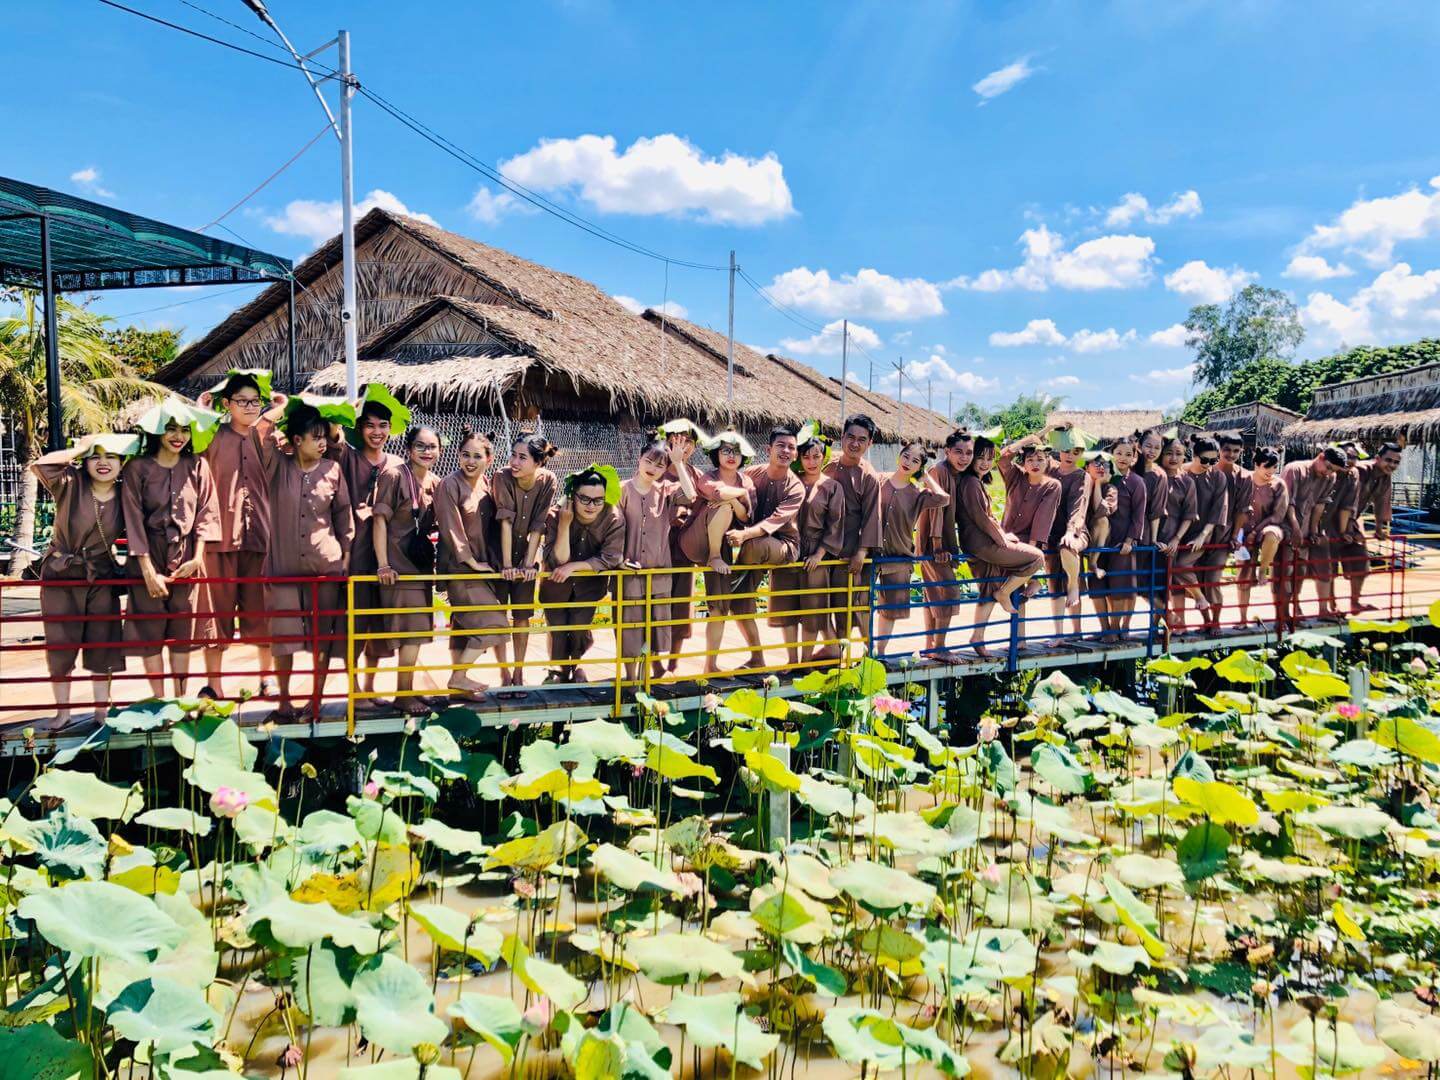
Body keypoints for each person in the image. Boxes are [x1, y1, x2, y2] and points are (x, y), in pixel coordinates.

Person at [257, 400, 354, 721]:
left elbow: (343, 516)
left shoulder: (333, 469)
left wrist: (346, 558)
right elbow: (260, 434)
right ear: (297, 440)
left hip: (325, 567)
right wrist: (279, 409)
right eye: (315, 437)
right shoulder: (277, 467)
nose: (323, 442)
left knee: (320, 638)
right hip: (282, 568)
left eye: (324, 436)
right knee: (283, 639)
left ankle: (316, 700)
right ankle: (283, 703)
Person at [31, 433, 135, 727]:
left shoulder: (127, 495)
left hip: (101, 574)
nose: (103, 463)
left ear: (122, 462)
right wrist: (78, 448)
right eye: (96, 456)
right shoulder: (71, 484)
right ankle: (63, 712)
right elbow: (40, 465)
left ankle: (102, 712)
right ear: (86, 462)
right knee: (60, 642)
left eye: (111, 457)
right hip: (61, 572)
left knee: (103, 643)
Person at [122, 398, 222, 698]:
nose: (178, 436)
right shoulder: (137, 468)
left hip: (188, 555)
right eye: (171, 429)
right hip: (147, 554)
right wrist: (147, 570)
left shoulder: (198, 465)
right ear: (156, 432)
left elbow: (207, 511)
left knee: (184, 630)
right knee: (150, 629)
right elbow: (132, 518)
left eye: (184, 430)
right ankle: (158, 699)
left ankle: (179, 699)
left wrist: (197, 557)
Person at [195, 370, 286, 699]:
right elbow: (193, 436)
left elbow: (270, 419)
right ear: (227, 404)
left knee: (264, 613)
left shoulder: (267, 436)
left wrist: (279, 405)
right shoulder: (212, 437)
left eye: (254, 401)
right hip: (219, 538)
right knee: (215, 616)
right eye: (242, 401)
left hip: (260, 536)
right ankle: (214, 685)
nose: (249, 407)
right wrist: (202, 411)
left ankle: (267, 679)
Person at [326, 385, 406, 710]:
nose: (377, 432)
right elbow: (333, 437)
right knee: (355, 619)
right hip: (356, 548)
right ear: (360, 428)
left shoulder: (397, 464)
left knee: (381, 621)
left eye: (382, 426)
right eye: (370, 425)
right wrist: (347, 410)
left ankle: (372, 686)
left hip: (388, 552)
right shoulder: (349, 457)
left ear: (390, 429)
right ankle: (353, 687)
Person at [434, 429, 510, 701]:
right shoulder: (449, 485)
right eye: (465, 454)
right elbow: (450, 526)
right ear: (457, 455)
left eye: (477, 456)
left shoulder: (487, 486)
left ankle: (458, 686)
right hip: (459, 569)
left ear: (489, 459)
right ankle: (458, 676)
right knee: (496, 624)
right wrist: (471, 562)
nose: (470, 461)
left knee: (466, 628)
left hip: (482, 569)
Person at [723, 427, 805, 671]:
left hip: (784, 546)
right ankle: (757, 657)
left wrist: (744, 534)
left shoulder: (795, 487)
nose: (786, 451)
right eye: (781, 445)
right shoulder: (751, 474)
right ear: (768, 449)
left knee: (754, 545)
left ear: (796, 453)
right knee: (740, 603)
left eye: (791, 447)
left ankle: (728, 582)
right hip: (753, 549)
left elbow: (773, 523)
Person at [373, 426, 442, 714]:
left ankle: (409, 689)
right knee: (411, 635)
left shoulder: (436, 482)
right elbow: (379, 521)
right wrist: (383, 565)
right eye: (420, 446)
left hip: (421, 569)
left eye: (432, 446)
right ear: (408, 449)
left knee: (418, 633)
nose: (427, 452)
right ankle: (403, 695)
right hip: (398, 569)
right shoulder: (394, 476)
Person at [954, 435, 1044, 656]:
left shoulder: (976, 482)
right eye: (980, 458)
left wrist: (1005, 534)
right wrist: (1002, 540)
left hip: (981, 543)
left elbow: (989, 517)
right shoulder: (970, 482)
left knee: (988, 588)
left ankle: (977, 637)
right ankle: (1005, 593)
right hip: (982, 544)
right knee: (1037, 558)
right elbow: (981, 518)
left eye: (989, 458)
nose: (985, 463)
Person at [675, 431, 756, 675]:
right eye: (726, 451)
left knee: (719, 607)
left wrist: (736, 497)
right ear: (716, 454)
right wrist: (736, 496)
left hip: (721, 544)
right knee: (722, 504)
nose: (732, 456)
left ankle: (711, 665)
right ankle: (713, 556)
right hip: (696, 539)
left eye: (736, 451)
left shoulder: (746, 482)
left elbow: (744, 516)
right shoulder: (707, 477)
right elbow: (717, 494)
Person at [616, 438, 695, 683]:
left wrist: (678, 463)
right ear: (639, 459)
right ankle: (630, 680)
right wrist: (617, 560)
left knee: (654, 624)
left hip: (659, 571)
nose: (652, 467)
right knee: (629, 626)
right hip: (628, 570)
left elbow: (691, 495)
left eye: (660, 465)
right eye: (648, 460)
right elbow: (612, 528)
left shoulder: (665, 491)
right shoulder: (622, 489)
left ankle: (650, 675)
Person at [770, 423, 847, 665]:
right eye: (806, 457)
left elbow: (835, 524)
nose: (812, 462)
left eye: (817, 456)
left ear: (824, 457)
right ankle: (791, 660)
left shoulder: (832, 487)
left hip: (816, 553)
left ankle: (805, 661)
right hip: (788, 547)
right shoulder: (791, 481)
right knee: (787, 607)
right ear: (799, 458)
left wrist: (820, 554)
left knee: (814, 610)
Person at [539, 466, 625, 681]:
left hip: (588, 584)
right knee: (557, 627)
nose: (591, 506)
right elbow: (557, 560)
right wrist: (565, 524)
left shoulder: (613, 517)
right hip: (556, 583)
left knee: (579, 626)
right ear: (572, 496)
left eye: (598, 500)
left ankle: (576, 665)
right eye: (584, 499)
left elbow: (610, 558)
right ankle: (558, 670)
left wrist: (574, 567)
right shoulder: (556, 515)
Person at [493, 435, 559, 686]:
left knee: (522, 615)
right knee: (498, 616)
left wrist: (529, 565)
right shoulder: (502, 476)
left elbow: (539, 525)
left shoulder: (548, 481)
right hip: (499, 553)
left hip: (526, 555)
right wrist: (508, 566)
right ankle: (504, 674)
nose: (514, 461)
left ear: (539, 462)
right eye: (513, 455)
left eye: (522, 457)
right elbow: (506, 521)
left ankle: (519, 673)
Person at [874, 443, 950, 658]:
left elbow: (944, 498)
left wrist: (926, 476)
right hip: (871, 554)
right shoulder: (879, 481)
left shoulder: (917, 493)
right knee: (860, 604)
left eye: (915, 461)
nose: (908, 462)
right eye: (906, 456)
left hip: (899, 556)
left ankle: (879, 652)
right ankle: (860, 650)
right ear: (899, 456)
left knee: (889, 611)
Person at [822, 414, 884, 649]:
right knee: (830, 601)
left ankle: (869, 650)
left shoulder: (868, 475)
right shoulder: (828, 466)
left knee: (854, 601)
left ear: (870, 444)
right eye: (850, 437)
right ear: (842, 437)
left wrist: (861, 552)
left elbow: (872, 516)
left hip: (851, 549)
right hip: (825, 546)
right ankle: (835, 649)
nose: (854, 444)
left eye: (861, 439)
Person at [919, 431, 974, 651]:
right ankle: (939, 647)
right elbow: (936, 511)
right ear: (947, 452)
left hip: (941, 540)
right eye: (958, 452)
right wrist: (938, 544)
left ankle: (930, 644)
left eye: (969, 453)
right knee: (950, 592)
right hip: (933, 542)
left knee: (932, 591)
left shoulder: (955, 474)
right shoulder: (939, 471)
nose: (964, 458)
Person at [1278, 446, 1345, 624]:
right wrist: (1295, 529)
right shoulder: (1295, 469)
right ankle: (1284, 613)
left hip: (1307, 527)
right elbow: (1287, 502)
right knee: (1286, 571)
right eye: (1328, 467)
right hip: (1286, 525)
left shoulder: (1330, 477)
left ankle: (1321, 609)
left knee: (1301, 570)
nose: (1329, 472)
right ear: (1320, 457)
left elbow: (1320, 504)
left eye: (1334, 470)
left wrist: (1314, 530)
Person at [1334, 441, 1402, 612]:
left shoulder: (1385, 477)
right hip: (1332, 517)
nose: (1392, 465)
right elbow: (1348, 500)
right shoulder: (1360, 470)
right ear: (1377, 458)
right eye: (1388, 460)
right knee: (1328, 566)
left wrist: (1379, 528)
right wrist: (1348, 527)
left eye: (1396, 462)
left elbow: (1382, 502)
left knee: (1361, 562)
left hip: (1353, 519)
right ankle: (1330, 605)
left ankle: (1354, 602)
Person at [1170, 436, 1229, 634]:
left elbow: (1218, 509)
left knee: (1198, 574)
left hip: (1206, 533)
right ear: (1194, 456)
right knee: (1175, 575)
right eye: (1205, 460)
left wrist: (1204, 535)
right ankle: (1185, 618)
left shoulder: (1218, 477)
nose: (1209, 465)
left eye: (1214, 461)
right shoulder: (1182, 473)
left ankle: (1211, 617)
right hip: (1181, 532)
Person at [1095, 436, 1148, 641]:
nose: (1123, 458)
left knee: (1120, 588)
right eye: (1119, 453)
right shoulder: (1104, 478)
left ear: (1134, 457)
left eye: (1128, 454)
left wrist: (1129, 540)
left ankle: (1118, 628)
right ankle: (1105, 628)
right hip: (1101, 541)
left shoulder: (1137, 482)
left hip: (1122, 542)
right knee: (1099, 588)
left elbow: (1138, 515)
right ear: (1111, 454)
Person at [1040, 425, 1091, 635]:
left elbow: (1079, 508)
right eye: (1067, 450)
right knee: (1054, 585)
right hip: (1051, 534)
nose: (1070, 456)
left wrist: (1071, 532)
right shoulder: (1049, 469)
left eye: (1076, 452)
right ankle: (1059, 633)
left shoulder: (1081, 476)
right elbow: (1031, 453)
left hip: (1076, 531)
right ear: (1059, 449)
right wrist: (1048, 429)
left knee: (1068, 548)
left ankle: (1077, 629)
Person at [996, 436, 1062, 594]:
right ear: (1023, 462)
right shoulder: (1015, 475)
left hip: (1027, 543)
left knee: (1017, 594)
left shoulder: (1052, 486)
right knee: (1000, 586)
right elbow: (1002, 458)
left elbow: (1042, 519)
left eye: (1040, 459)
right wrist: (1028, 440)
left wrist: (1029, 556)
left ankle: (1031, 580)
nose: (1035, 464)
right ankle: (1033, 581)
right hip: (1003, 538)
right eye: (1030, 460)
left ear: (1047, 461)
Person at [1234, 447, 1288, 624]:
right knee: (1243, 575)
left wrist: (1257, 531)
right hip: (1243, 532)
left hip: (1267, 529)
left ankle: (1263, 570)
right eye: (1267, 467)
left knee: (1272, 534)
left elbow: (1277, 515)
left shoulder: (1279, 485)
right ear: (1256, 465)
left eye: (1274, 468)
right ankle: (1242, 619)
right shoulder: (1243, 480)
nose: (1271, 472)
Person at [1155, 436, 1197, 634]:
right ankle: (1156, 624)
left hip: (1173, 539)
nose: (1173, 458)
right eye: (1169, 453)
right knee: (1153, 582)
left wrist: (1176, 539)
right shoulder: (1153, 476)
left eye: (1178, 454)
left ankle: (1180, 623)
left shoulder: (1186, 482)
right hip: (1152, 539)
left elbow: (1189, 515)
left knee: (1175, 583)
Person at [1215, 431, 1255, 604]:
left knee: (1214, 577)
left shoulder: (1245, 476)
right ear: (1219, 449)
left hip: (1226, 532)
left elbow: (1242, 509)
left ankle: (1212, 622)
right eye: (1227, 449)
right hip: (1200, 531)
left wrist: (1234, 536)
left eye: (1236, 451)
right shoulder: (1207, 470)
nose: (1231, 454)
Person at [1136, 428, 1169, 548]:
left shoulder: (1160, 475)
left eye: (1157, 448)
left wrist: (1153, 540)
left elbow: (1157, 511)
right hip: (1120, 527)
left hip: (1143, 531)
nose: (1152, 451)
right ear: (1139, 446)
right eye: (1148, 446)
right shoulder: (1129, 469)